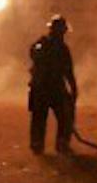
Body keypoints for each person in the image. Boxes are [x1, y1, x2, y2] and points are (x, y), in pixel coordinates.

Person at [28, 15, 78, 155]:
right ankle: (59, 143)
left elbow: (33, 54)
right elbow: (68, 72)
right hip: (51, 88)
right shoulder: (59, 48)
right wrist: (73, 90)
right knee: (62, 116)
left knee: (41, 117)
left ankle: (38, 144)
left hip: (42, 88)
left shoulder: (42, 44)